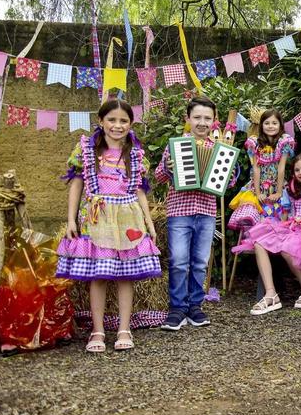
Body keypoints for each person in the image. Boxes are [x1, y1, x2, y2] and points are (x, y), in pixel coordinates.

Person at [56, 99, 161, 352]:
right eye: (112, 120)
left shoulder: (135, 154)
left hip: (128, 219)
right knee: (99, 276)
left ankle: (124, 328)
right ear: (101, 121)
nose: (117, 125)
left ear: (130, 124)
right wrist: (71, 219)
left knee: (126, 276)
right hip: (97, 218)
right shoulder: (87, 150)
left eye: (123, 120)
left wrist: (149, 222)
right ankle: (98, 329)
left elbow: (140, 191)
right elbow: (76, 185)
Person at [155, 96, 226, 331]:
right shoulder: (175, 145)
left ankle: (195, 306)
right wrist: (167, 168)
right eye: (197, 117)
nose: (202, 122)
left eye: (207, 118)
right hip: (179, 211)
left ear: (214, 121)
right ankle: (177, 308)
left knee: (199, 263)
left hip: (206, 212)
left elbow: (228, 181)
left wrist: (228, 171)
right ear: (188, 119)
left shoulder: (218, 148)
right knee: (178, 261)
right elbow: (159, 176)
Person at [234, 153, 301, 314]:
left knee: (288, 247)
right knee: (260, 241)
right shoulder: (291, 191)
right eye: (297, 170)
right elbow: (285, 216)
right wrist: (281, 228)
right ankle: (271, 293)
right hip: (293, 227)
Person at [228, 109, 295, 229]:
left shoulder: (284, 141)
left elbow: (281, 167)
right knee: (256, 217)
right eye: (267, 123)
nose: (271, 126)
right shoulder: (255, 143)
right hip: (258, 185)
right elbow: (256, 168)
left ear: (280, 125)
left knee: (279, 215)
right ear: (261, 125)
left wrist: (278, 192)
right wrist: (258, 193)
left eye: (274, 123)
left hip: (277, 184)